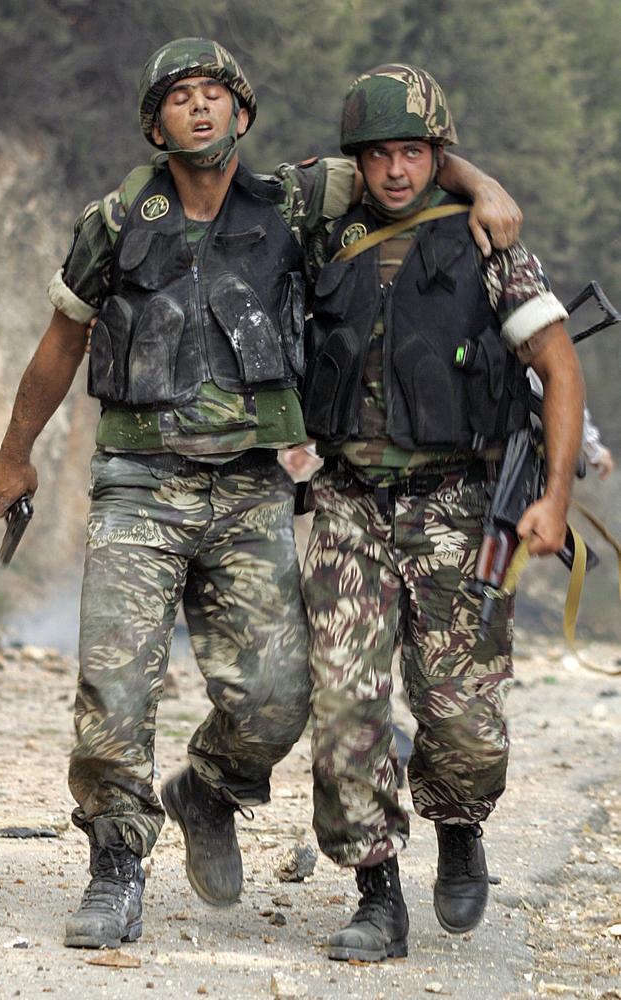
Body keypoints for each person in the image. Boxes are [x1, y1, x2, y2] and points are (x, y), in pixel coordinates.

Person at [0, 40, 521, 950]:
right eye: (179, 99)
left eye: (215, 96)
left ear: (244, 114)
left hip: (250, 489)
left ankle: (211, 786)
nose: (199, 110)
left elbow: (402, 157)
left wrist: (482, 184)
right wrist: (13, 453)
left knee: (277, 699)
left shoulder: (296, 204)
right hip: (139, 487)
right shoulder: (115, 217)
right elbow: (60, 339)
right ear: (155, 124)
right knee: (114, 691)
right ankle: (115, 867)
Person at [300, 64, 584, 962]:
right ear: (359, 158)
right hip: (347, 503)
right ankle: (376, 893)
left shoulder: (486, 243)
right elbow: (254, 178)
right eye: (378, 153)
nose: (395, 170)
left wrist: (555, 497)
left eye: (415, 152)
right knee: (345, 706)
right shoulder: (321, 229)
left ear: (437, 153)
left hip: (458, 506)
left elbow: (560, 367)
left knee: (463, 721)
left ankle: (460, 829)